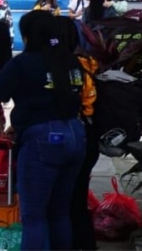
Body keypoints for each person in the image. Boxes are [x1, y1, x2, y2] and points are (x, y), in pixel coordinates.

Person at [0, 10, 87, 250]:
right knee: (60, 212)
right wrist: (20, 123)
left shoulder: (22, 63)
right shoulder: (71, 61)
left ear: (27, 36)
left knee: (34, 215)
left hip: (43, 141)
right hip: (75, 134)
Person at [56, 16, 99, 250]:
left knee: (65, 199)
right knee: (78, 197)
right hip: (89, 134)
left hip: (71, 134)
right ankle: (86, 243)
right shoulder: (89, 62)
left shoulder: (64, 66)